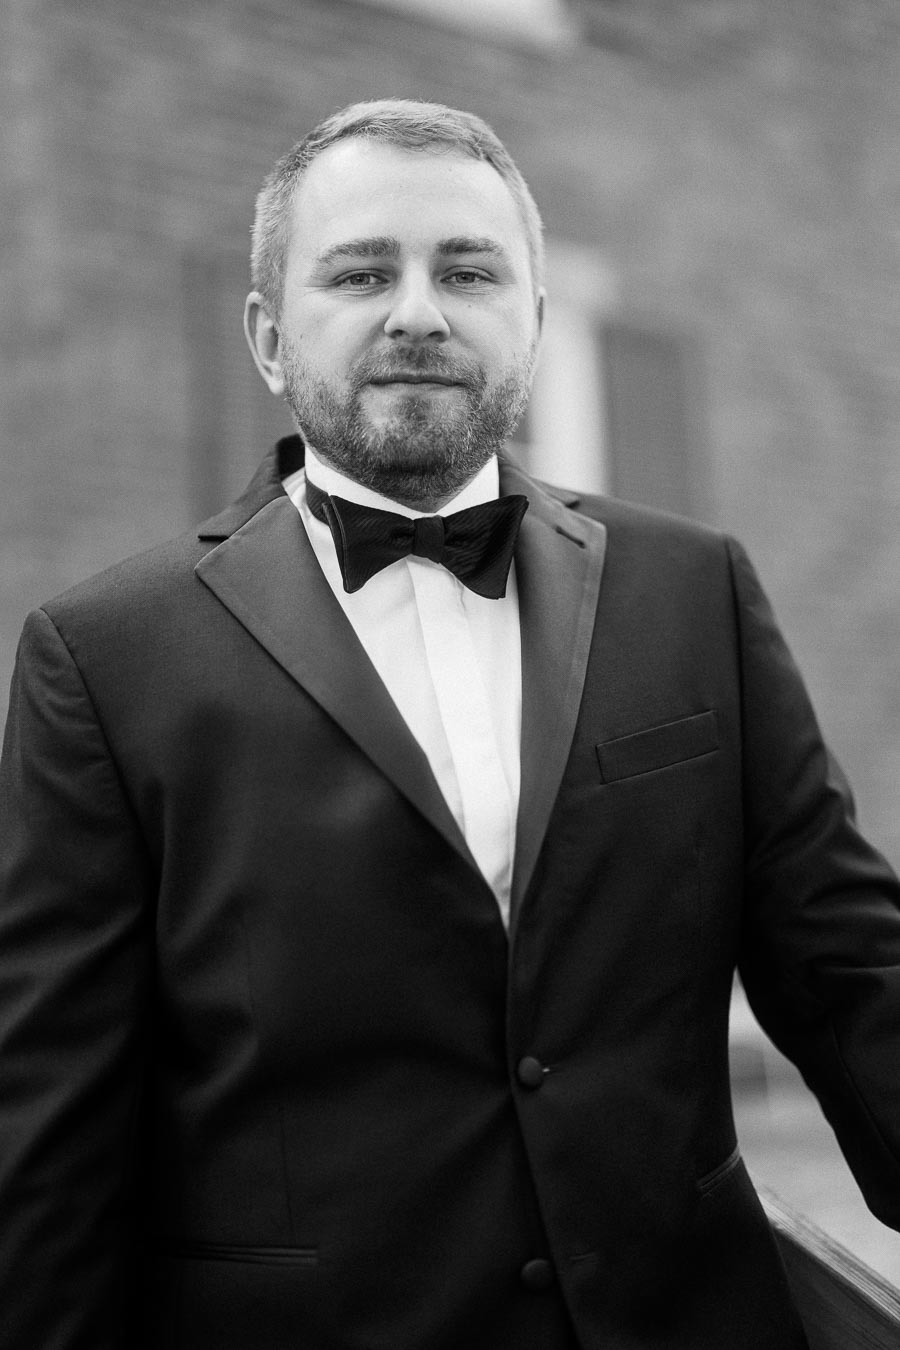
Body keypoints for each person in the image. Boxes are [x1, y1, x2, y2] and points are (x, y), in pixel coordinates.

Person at [1, 97, 899, 1350]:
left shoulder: (694, 590)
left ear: (530, 322)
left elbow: (850, 967)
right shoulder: (102, 658)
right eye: (362, 270)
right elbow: (51, 1127)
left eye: (468, 271)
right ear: (268, 335)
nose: (417, 309)